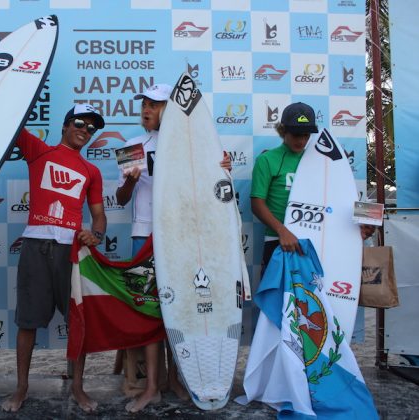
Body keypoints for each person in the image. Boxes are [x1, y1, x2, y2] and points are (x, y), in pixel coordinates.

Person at [115, 83, 232, 412]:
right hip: (144, 235)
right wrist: (130, 181)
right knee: (152, 308)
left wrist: (223, 170)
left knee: (184, 305)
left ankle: (175, 380)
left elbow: (214, 191)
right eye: (144, 105)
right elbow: (121, 199)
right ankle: (152, 385)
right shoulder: (132, 145)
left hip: (184, 239)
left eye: (154, 105)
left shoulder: (199, 148)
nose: (146, 110)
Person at [1, 104, 107, 413]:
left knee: (78, 322)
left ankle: (77, 387)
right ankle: (21, 387)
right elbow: (10, 118)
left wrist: (96, 236)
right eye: (79, 123)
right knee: (27, 322)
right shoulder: (39, 150)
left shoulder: (92, 171)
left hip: (71, 251)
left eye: (91, 128)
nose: (84, 130)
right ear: (64, 125)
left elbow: (99, 217)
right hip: (35, 246)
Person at [250, 101, 374, 272]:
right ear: (283, 130)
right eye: (295, 134)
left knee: (319, 298)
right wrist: (282, 231)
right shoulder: (267, 160)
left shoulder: (324, 160)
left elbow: (343, 194)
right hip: (279, 241)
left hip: (320, 241)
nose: (301, 140)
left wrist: (365, 221)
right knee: (278, 299)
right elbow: (257, 204)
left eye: (306, 135)